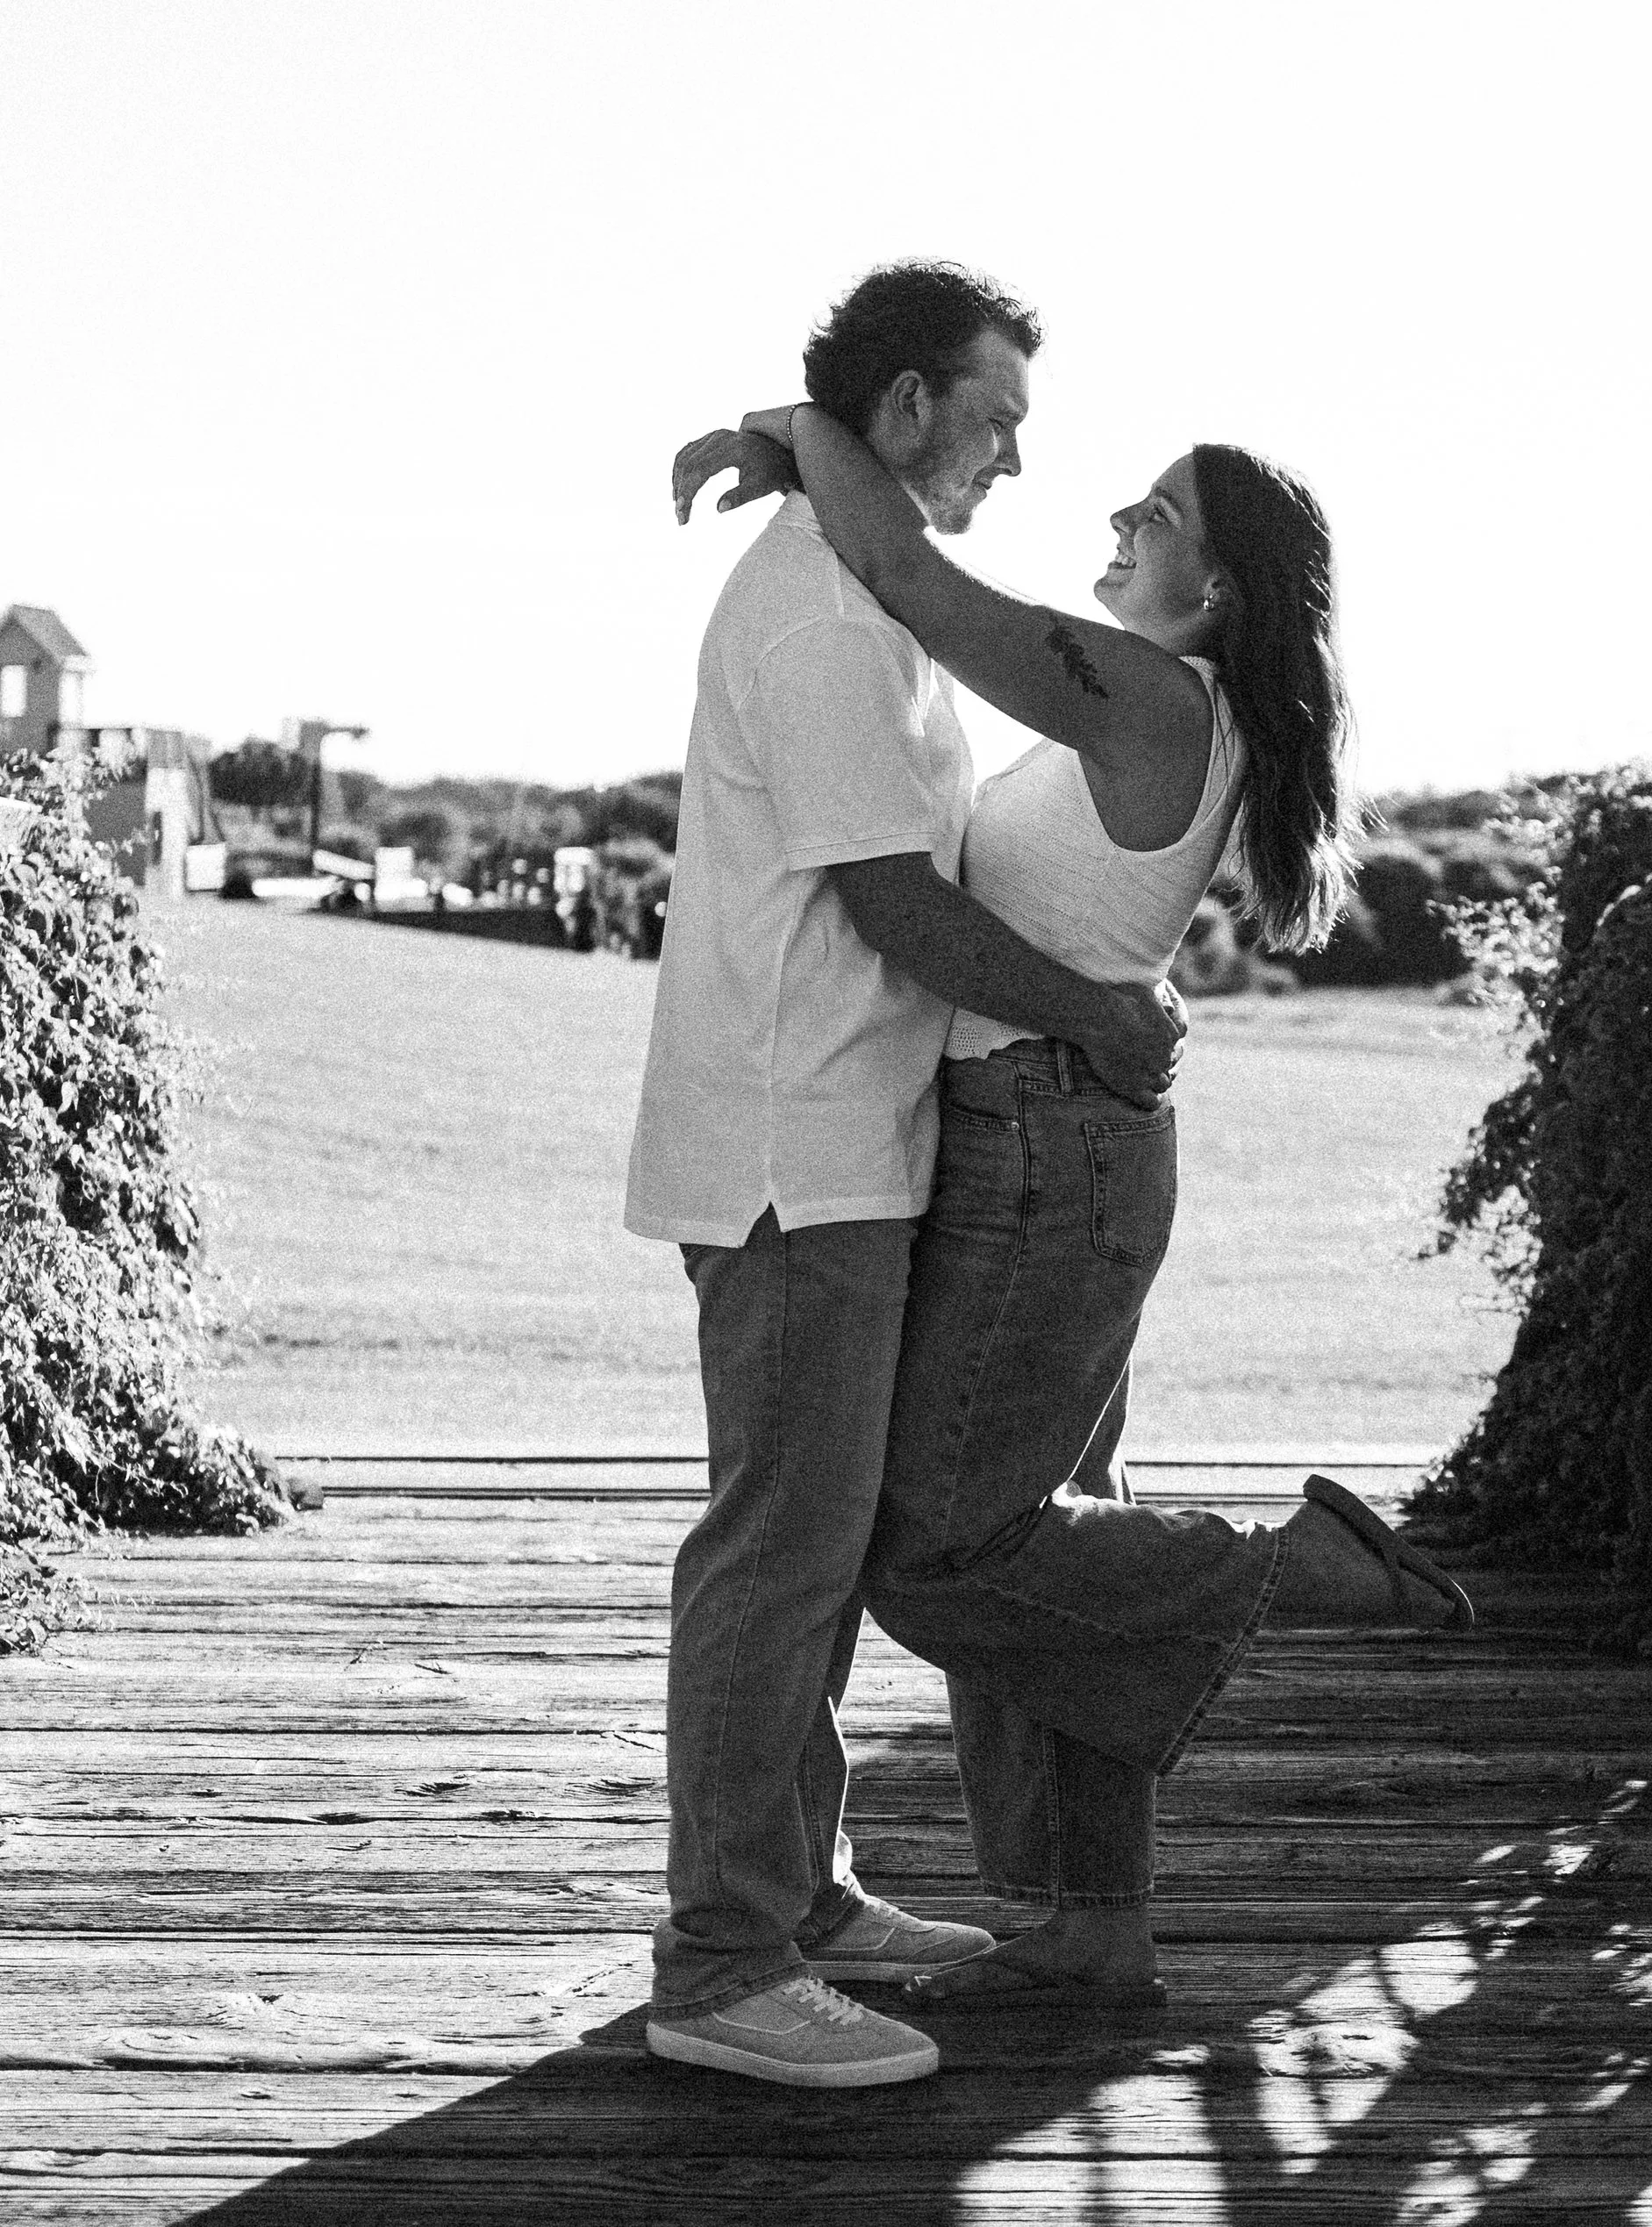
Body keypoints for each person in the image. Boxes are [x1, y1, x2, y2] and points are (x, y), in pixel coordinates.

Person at [684, 385, 1472, 2014]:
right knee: (1055, 1533)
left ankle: (1293, 1566)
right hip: (1049, 1136)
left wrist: (791, 423)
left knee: (940, 1554)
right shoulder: (1158, 702)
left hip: (1050, 1152)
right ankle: (1088, 1919)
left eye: (1158, 516)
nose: (1119, 523)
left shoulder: (1147, 693)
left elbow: (914, 578)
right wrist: (1101, 996)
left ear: (1217, 589)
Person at [626, 261, 1188, 2089]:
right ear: (900, 412)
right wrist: (1096, 1020)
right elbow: (893, 901)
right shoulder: (811, 611)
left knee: (807, 1541)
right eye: (994, 419)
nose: (1015, 462)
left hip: (845, 1135)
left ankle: (800, 1897)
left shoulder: (851, 587)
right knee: (777, 1552)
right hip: (796, 1142)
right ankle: (721, 1964)